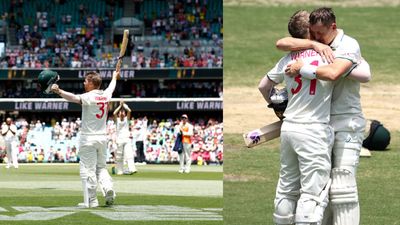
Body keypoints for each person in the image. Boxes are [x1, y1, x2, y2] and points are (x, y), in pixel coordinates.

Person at [277, 7, 371, 225]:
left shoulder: (348, 45)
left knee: (342, 186)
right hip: (319, 125)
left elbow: (340, 73)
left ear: (333, 27)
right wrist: (313, 44)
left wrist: (302, 68)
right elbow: (281, 43)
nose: (316, 37)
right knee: (321, 188)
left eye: (319, 34)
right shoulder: (317, 46)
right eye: (313, 33)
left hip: (346, 120)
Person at [259, 10, 334, 225]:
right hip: (314, 129)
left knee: (286, 189)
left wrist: (278, 106)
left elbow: (263, 86)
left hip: (289, 128)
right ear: (311, 30)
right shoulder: (328, 54)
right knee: (312, 194)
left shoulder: (287, 59)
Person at [51, 70, 119, 208]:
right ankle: (107, 188)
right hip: (102, 138)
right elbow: (111, 87)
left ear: (92, 83)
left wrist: (59, 91)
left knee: (88, 170)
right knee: (101, 168)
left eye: (86, 81)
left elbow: (74, 98)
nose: (84, 83)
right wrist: (114, 77)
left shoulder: (89, 96)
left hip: (88, 138)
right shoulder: (105, 95)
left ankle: (91, 201)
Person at [113, 101, 137, 175]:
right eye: (121, 112)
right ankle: (120, 170)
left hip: (126, 139)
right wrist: (120, 106)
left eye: (123, 112)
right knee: (119, 156)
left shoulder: (127, 120)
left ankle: (132, 169)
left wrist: (123, 105)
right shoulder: (117, 120)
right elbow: (114, 113)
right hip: (119, 140)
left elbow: (129, 111)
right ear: (119, 114)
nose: (122, 113)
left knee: (129, 154)